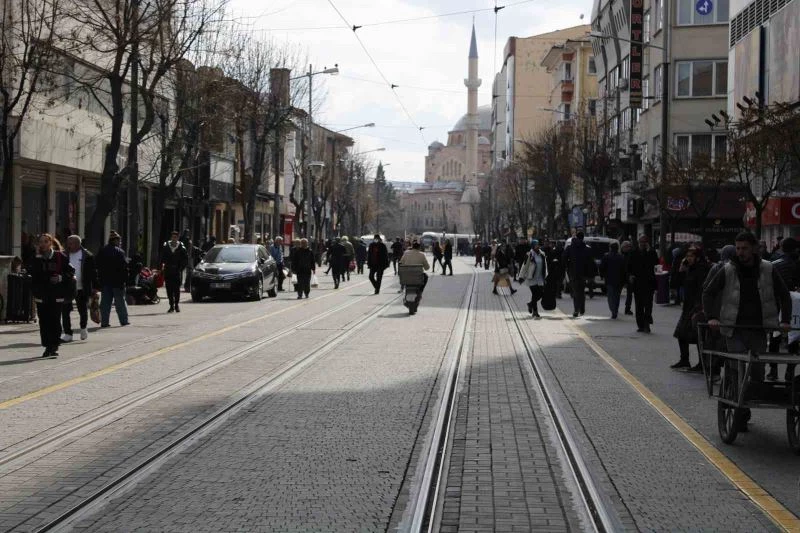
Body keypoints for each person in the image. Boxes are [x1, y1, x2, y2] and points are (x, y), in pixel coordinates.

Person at [703, 232, 792, 430]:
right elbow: (708, 292)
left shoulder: (768, 269)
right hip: (734, 329)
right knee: (738, 367)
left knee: (757, 371)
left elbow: (784, 295)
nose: (740, 252)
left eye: (744, 248)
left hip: (759, 329)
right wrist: (712, 317)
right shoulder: (728, 269)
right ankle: (740, 410)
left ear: (754, 249)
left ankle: (746, 403)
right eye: (738, 248)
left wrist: (785, 321)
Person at [30, 233, 75, 358]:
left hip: (56, 294)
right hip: (41, 294)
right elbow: (32, 274)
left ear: (50, 243)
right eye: (41, 242)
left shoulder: (60, 256)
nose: (43, 244)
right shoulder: (36, 258)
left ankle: (53, 346)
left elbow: (71, 272)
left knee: (54, 319)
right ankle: (47, 345)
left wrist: (60, 277)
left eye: (45, 241)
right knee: (43, 321)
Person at [671, 247, 710, 370]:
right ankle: (684, 359)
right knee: (681, 333)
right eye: (687, 256)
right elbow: (677, 283)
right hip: (688, 306)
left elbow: (701, 289)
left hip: (696, 306)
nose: (689, 258)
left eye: (691, 256)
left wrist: (699, 307)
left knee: (698, 335)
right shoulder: (690, 269)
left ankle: (701, 363)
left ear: (697, 257)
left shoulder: (701, 269)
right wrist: (681, 269)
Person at [767, 237, 800, 380]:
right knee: (794, 338)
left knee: (774, 339)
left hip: (776, 305)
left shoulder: (774, 264)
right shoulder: (797, 264)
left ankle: (773, 370)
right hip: (796, 306)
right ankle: (789, 371)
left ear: (781, 247)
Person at [61, 235, 97, 342]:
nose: (69, 245)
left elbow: (92, 273)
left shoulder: (87, 255)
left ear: (78, 244)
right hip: (67, 287)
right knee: (65, 311)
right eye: (68, 243)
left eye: (71, 243)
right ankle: (68, 333)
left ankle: (83, 328)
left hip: (82, 287)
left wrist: (95, 287)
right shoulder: (64, 255)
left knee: (82, 310)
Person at [96, 230, 130, 328]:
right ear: (115, 241)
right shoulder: (120, 252)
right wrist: (125, 281)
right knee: (120, 302)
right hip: (117, 282)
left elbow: (97, 265)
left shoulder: (102, 250)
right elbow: (124, 268)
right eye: (119, 241)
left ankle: (104, 322)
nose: (120, 243)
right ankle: (124, 321)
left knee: (105, 303)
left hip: (105, 281)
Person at [628, 235, 659, 333]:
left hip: (649, 283)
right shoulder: (633, 253)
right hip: (638, 283)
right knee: (639, 305)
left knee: (648, 305)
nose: (643, 244)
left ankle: (647, 324)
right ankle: (640, 325)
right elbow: (629, 266)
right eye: (641, 242)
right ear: (638, 243)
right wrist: (630, 275)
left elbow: (656, 262)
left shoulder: (651, 252)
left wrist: (650, 250)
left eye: (644, 242)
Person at [563, 232, 593, 318]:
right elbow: (590, 263)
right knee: (581, 291)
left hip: (573, 273)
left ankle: (576, 309)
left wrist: (568, 267)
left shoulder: (570, 247)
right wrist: (589, 274)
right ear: (583, 238)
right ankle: (582, 308)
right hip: (583, 274)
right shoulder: (587, 248)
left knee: (576, 291)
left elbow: (564, 258)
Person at [160, 231, 189, 313]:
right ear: (171, 237)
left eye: (175, 237)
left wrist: (181, 268)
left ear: (178, 238)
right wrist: (162, 266)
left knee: (176, 289)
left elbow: (185, 259)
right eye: (173, 237)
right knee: (169, 289)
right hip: (168, 270)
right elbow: (162, 258)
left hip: (176, 271)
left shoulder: (181, 247)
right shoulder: (166, 246)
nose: (174, 239)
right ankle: (171, 305)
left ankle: (176, 305)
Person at [399, 241, 430, 313]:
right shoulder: (422, 254)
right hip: (417, 279)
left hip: (406, 277)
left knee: (405, 281)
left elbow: (401, 262)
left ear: (412, 247)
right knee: (426, 277)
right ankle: (420, 292)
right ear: (419, 248)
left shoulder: (406, 253)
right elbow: (427, 268)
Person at [518, 239, 547, 318]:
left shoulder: (542, 254)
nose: (538, 246)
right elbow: (524, 266)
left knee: (540, 294)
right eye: (536, 245)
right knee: (535, 294)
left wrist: (545, 275)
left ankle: (530, 304)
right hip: (531, 278)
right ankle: (535, 312)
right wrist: (521, 276)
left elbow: (545, 266)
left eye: (538, 244)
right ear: (533, 245)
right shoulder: (529, 254)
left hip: (540, 278)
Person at [601, 242, 626, 319]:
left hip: (609, 279)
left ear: (610, 248)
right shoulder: (621, 257)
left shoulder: (606, 256)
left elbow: (602, 267)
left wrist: (602, 275)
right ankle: (615, 310)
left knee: (610, 296)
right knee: (617, 296)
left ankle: (613, 311)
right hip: (619, 280)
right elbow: (624, 269)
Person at [621, 241, 635, 315]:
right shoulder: (622, 255)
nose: (625, 248)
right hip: (623, 276)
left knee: (629, 294)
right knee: (628, 294)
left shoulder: (630, 255)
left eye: (627, 247)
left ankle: (627, 308)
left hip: (628, 276)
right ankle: (626, 308)